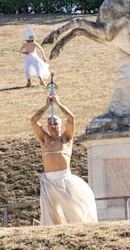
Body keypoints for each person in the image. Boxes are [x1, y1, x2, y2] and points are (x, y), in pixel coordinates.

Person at [31, 94, 98, 225]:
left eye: (55, 123)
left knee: (75, 208)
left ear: (60, 125)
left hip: (65, 179)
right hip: (49, 180)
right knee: (52, 212)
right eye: (49, 124)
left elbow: (71, 118)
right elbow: (33, 121)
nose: (52, 126)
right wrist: (46, 106)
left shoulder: (66, 138)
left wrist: (58, 104)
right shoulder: (44, 139)